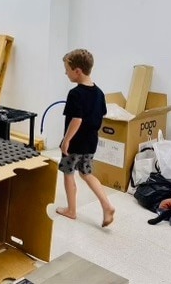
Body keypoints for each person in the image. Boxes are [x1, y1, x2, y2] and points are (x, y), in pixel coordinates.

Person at [56, 49, 115, 227]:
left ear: (77, 71)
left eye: (67, 69)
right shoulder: (99, 93)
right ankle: (107, 205)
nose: (65, 72)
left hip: (75, 142)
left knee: (68, 173)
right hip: (90, 142)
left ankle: (71, 210)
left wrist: (66, 140)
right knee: (86, 173)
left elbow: (77, 119)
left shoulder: (75, 94)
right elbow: (101, 114)